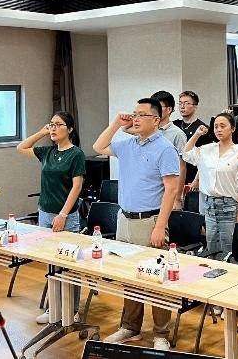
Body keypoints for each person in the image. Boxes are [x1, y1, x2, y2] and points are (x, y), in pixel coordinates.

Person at [93, 98, 179, 351]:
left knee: (155, 278)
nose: (136, 118)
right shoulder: (128, 144)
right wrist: (116, 124)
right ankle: (130, 327)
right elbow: (99, 146)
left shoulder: (165, 148)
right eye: (134, 114)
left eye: (142, 114)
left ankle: (161, 333)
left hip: (149, 220)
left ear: (156, 120)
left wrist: (160, 226)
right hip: (125, 219)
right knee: (130, 276)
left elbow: (172, 190)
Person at [17, 111, 85, 324]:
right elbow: (21, 147)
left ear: (70, 129)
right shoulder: (47, 152)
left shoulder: (76, 154)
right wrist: (41, 132)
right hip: (45, 214)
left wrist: (63, 214)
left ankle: (72, 310)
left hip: (66, 216)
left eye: (58, 125)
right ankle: (53, 307)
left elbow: (77, 186)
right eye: (51, 124)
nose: (53, 128)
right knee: (51, 264)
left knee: (69, 265)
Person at [183, 113, 238, 259]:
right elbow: (186, 154)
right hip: (209, 205)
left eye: (223, 126)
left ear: (232, 128)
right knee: (211, 247)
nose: (219, 129)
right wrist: (197, 134)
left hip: (229, 205)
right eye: (216, 126)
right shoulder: (207, 149)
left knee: (228, 248)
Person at [151, 91, 188, 209]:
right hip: (150, 191)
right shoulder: (148, 131)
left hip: (168, 191)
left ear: (169, 109)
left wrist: (177, 198)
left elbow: (182, 166)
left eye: (159, 107)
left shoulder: (177, 134)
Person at [173, 91, 211, 185]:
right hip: (175, 174)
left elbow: (206, 158)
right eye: (180, 103)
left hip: (192, 177)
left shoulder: (202, 128)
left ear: (195, 106)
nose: (182, 106)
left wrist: (197, 179)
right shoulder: (175, 125)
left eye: (186, 103)